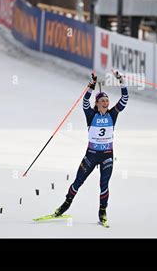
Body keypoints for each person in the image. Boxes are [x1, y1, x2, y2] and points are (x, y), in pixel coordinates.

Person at [53, 70, 129, 226]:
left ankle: (102, 212)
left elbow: (125, 98)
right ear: (98, 103)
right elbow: (85, 102)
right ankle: (65, 204)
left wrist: (121, 81)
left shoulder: (113, 114)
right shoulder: (90, 114)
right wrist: (92, 86)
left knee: (104, 184)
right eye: (103, 101)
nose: (106, 103)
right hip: (91, 155)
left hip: (107, 154)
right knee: (78, 181)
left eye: (107, 101)